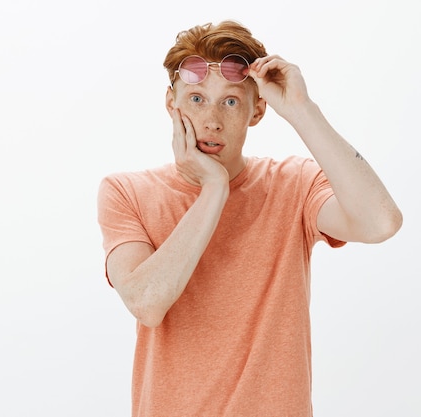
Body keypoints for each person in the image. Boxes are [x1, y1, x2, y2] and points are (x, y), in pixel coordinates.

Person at [96, 20, 403, 417]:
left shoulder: (293, 185)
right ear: (171, 104)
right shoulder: (126, 191)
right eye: (196, 98)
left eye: (230, 101)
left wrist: (302, 110)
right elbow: (147, 302)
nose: (211, 120)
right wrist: (214, 189)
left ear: (257, 109)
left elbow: (381, 222)